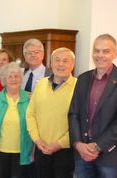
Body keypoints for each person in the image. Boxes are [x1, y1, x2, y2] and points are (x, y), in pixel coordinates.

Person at [69, 34, 117, 178]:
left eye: (105, 51)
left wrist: (99, 146)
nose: (100, 55)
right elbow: (73, 114)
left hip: (110, 156)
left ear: (115, 54)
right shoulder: (82, 79)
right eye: (96, 51)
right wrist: (78, 143)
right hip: (82, 154)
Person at [26, 47, 77, 178]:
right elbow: (31, 114)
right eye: (57, 60)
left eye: (65, 61)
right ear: (51, 63)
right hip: (41, 148)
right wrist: (37, 140)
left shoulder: (78, 87)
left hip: (65, 150)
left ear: (72, 64)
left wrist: (59, 144)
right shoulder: (41, 84)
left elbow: (80, 122)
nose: (60, 64)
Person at [0, 62, 33, 178]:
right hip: (0, 151)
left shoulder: (29, 98)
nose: (13, 79)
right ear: (4, 81)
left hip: (23, 151)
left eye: (16, 76)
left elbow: (35, 126)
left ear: (21, 78)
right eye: (9, 76)